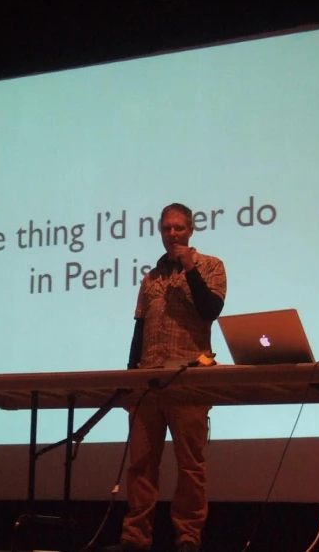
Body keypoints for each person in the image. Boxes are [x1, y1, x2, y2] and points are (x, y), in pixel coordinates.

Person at [108, 203, 227, 552]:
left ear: (191, 230)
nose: (172, 235)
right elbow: (139, 330)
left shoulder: (211, 266)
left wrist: (190, 270)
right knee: (141, 464)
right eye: (166, 229)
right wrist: (131, 382)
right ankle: (135, 537)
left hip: (189, 378)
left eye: (178, 228)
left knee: (190, 465)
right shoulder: (150, 277)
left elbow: (211, 310)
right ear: (160, 232)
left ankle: (188, 537)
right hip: (148, 382)